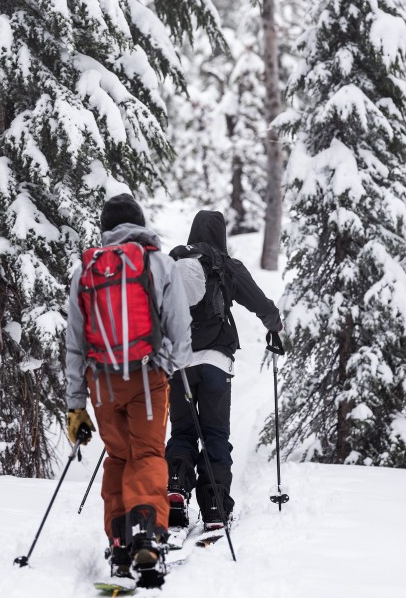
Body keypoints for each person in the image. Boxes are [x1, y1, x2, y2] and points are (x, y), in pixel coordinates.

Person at [65, 193, 194, 585]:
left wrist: (75, 404)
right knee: (148, 453)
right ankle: (147, 536)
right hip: (146, 376)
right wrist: (175, 364)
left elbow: (74, 341)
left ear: (106, 230)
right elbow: (180, 326)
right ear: (140, 224)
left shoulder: (86, 270)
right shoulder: (158, 263)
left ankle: (119, 541)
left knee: (119, 457)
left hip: (101, 383)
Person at [165, 210, 284, 531]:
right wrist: (275, 327)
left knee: (183, 431)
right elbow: (261, 304)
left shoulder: (173, 263)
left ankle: (176, 483)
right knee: (215, 432)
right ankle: (215, 502)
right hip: (216, 362)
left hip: (179, 363)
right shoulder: (225, 265)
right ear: (221, 236)